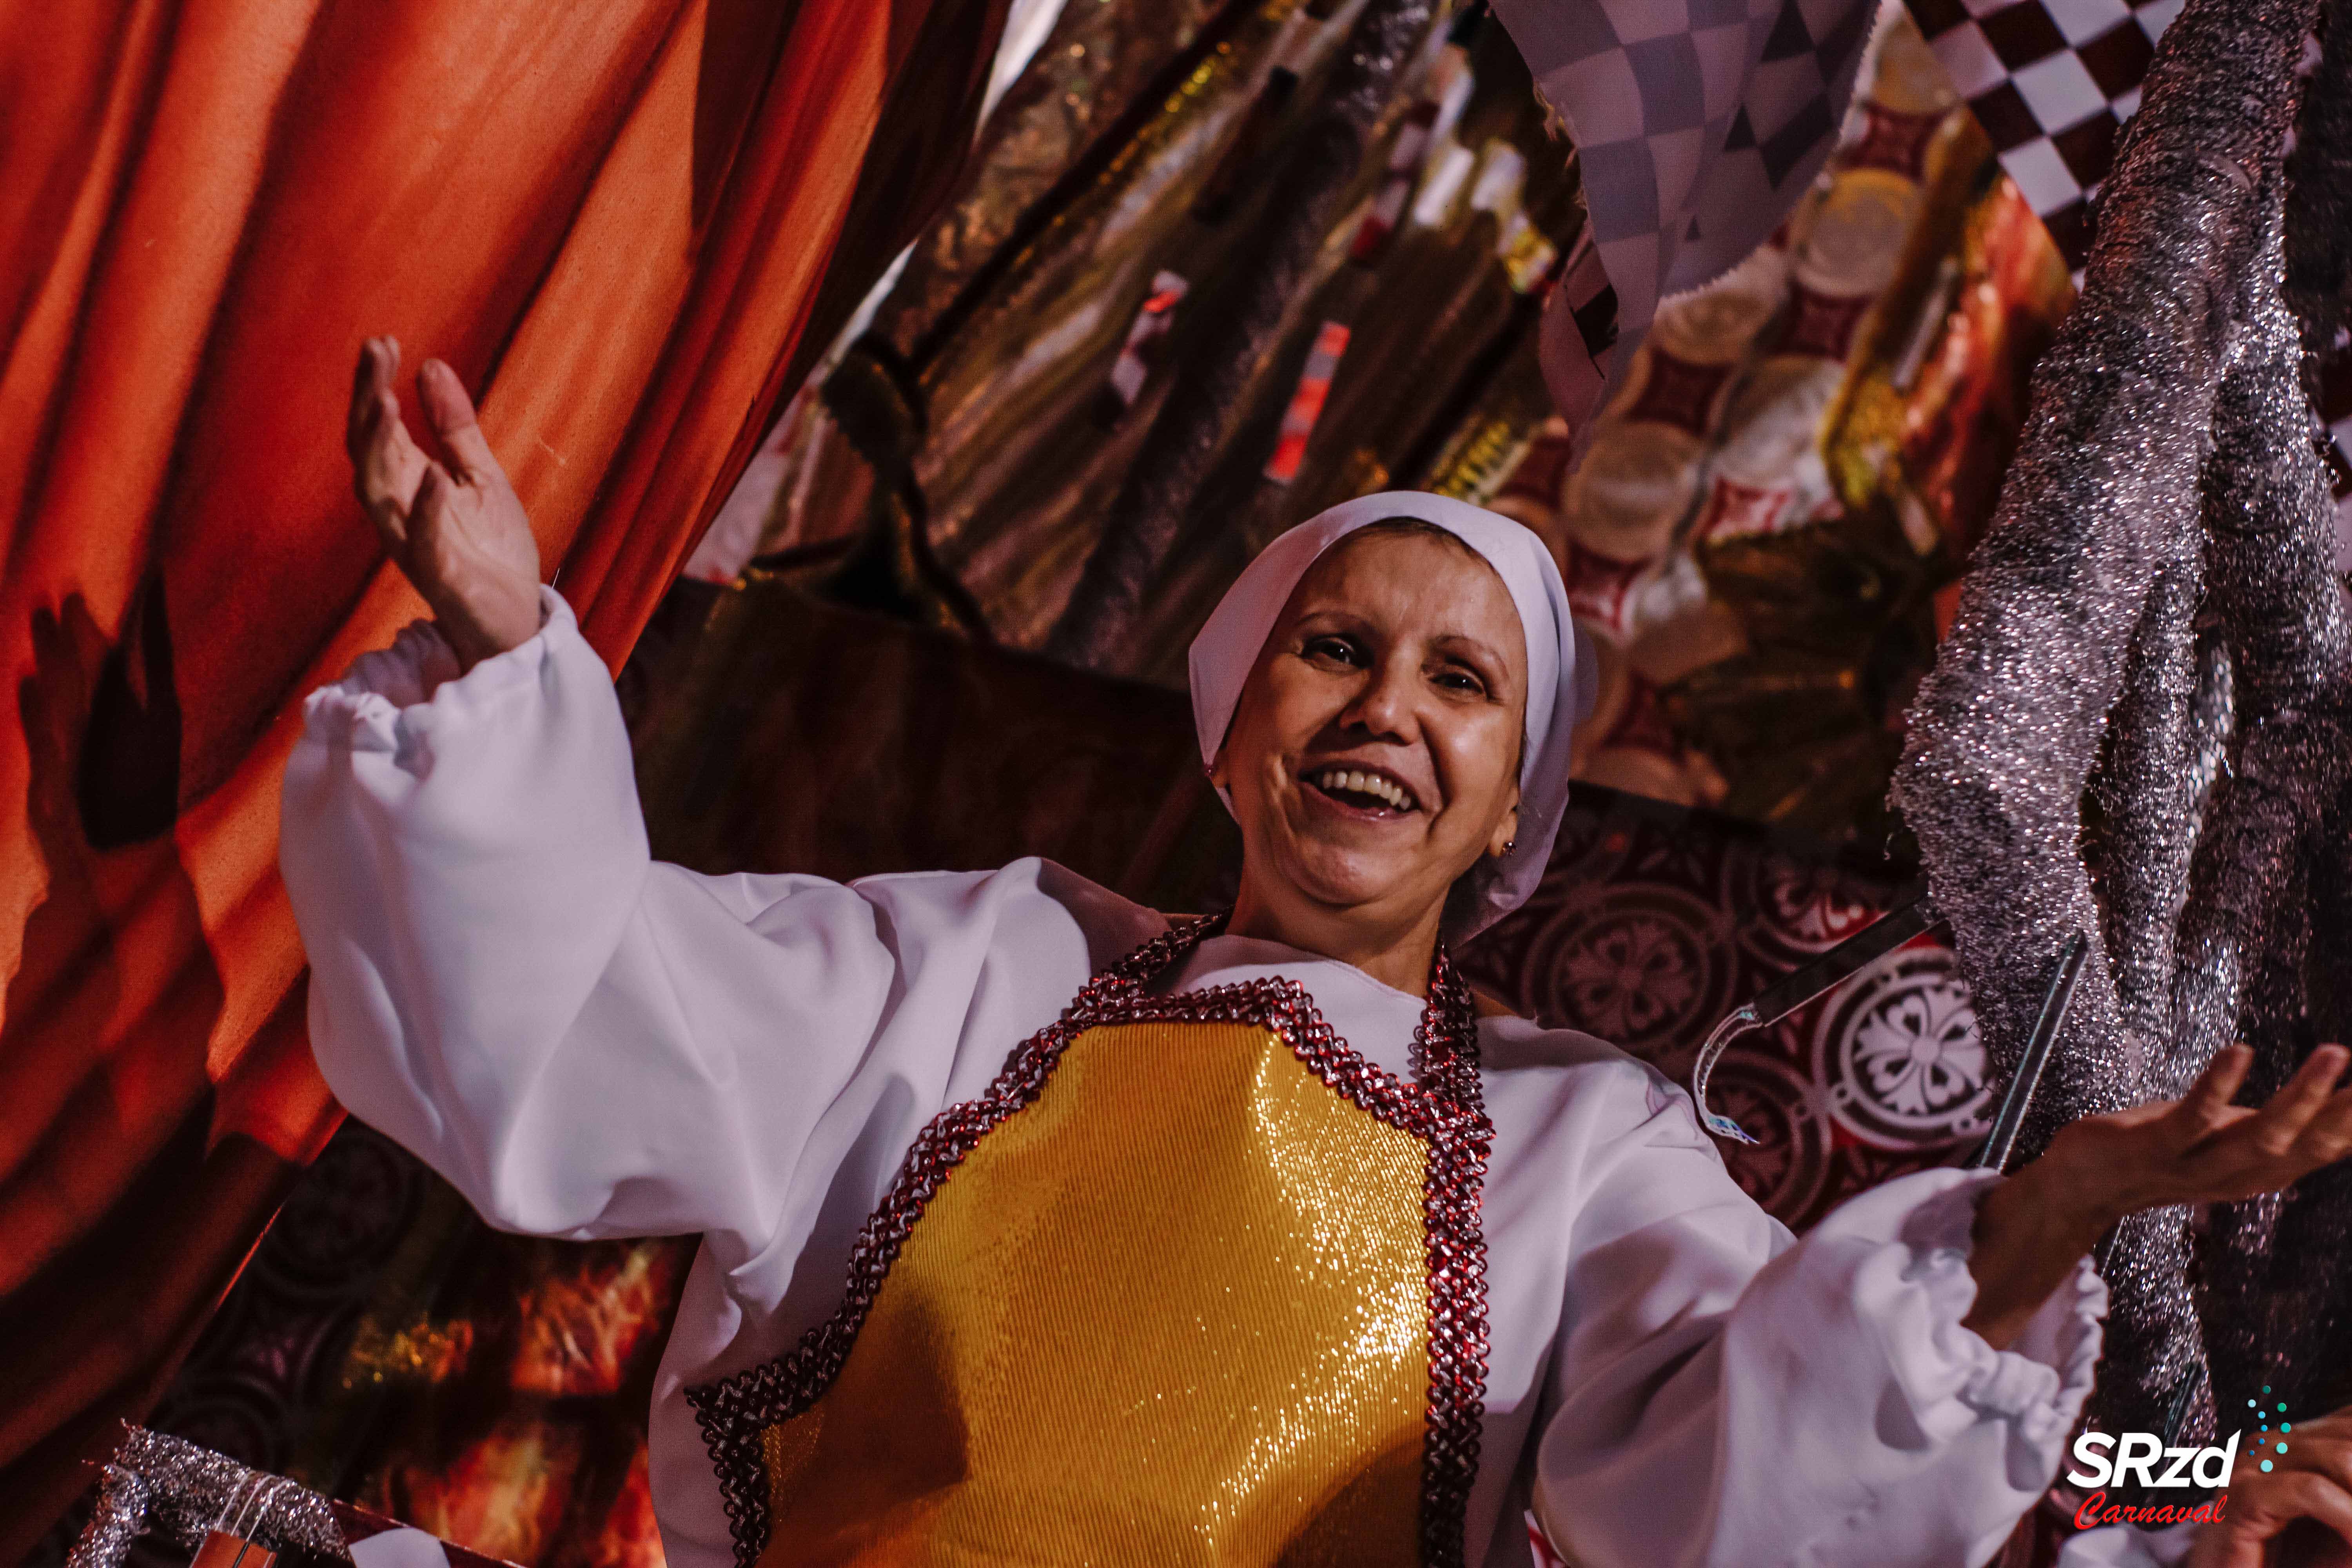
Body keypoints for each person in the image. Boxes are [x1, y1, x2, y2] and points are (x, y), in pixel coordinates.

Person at [285, 339, 2352, 1568]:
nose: (1384, 710)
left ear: (1510, 786)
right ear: (1241, 707)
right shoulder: (974, 977)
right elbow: (570, 1008)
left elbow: (1757, 1464)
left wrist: (2043, 1218)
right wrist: (496, 647)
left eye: (1459, 681)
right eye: (1338, 650)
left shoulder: (1576, 1149)